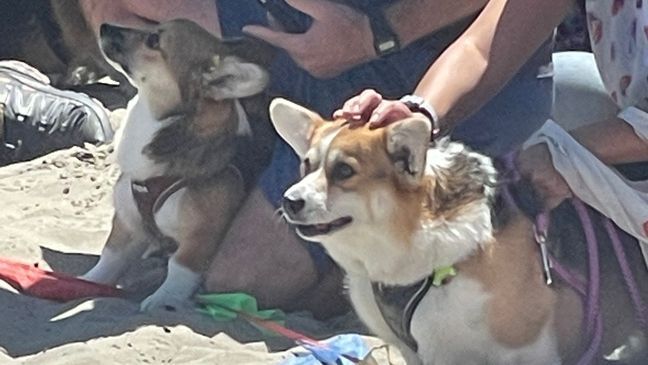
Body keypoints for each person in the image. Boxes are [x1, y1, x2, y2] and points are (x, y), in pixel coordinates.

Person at [80, 0, 556, 315]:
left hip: (434, 53)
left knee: (240, 284)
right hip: (309, 33)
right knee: (120, 9)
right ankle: (207, 167)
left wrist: (377, 35)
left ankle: (379, 270)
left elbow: (502, 23)